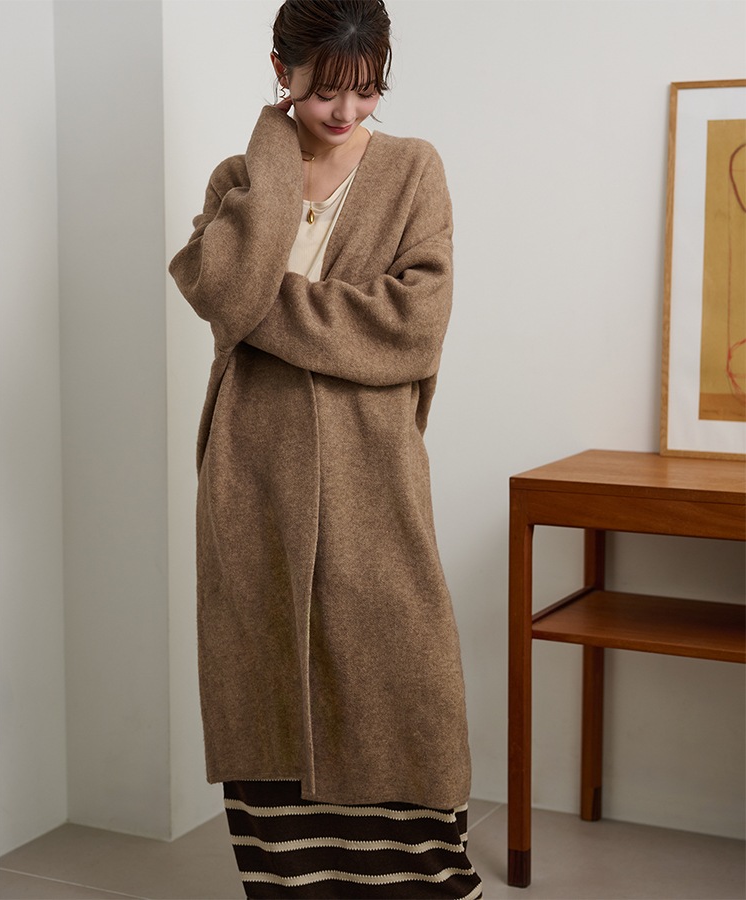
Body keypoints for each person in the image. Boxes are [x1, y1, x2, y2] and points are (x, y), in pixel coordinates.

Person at [169, 2, 481, 897]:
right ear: (283, 71)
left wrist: (259, 309)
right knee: (264, 675)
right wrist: (275, 149)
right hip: (251, 469)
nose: (348, 112)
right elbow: (216, 286)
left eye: (368, 89)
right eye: (324, 91)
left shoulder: (414, 170)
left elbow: (412, 327)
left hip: (371, 470)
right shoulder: (242, 177)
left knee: (404, 676)